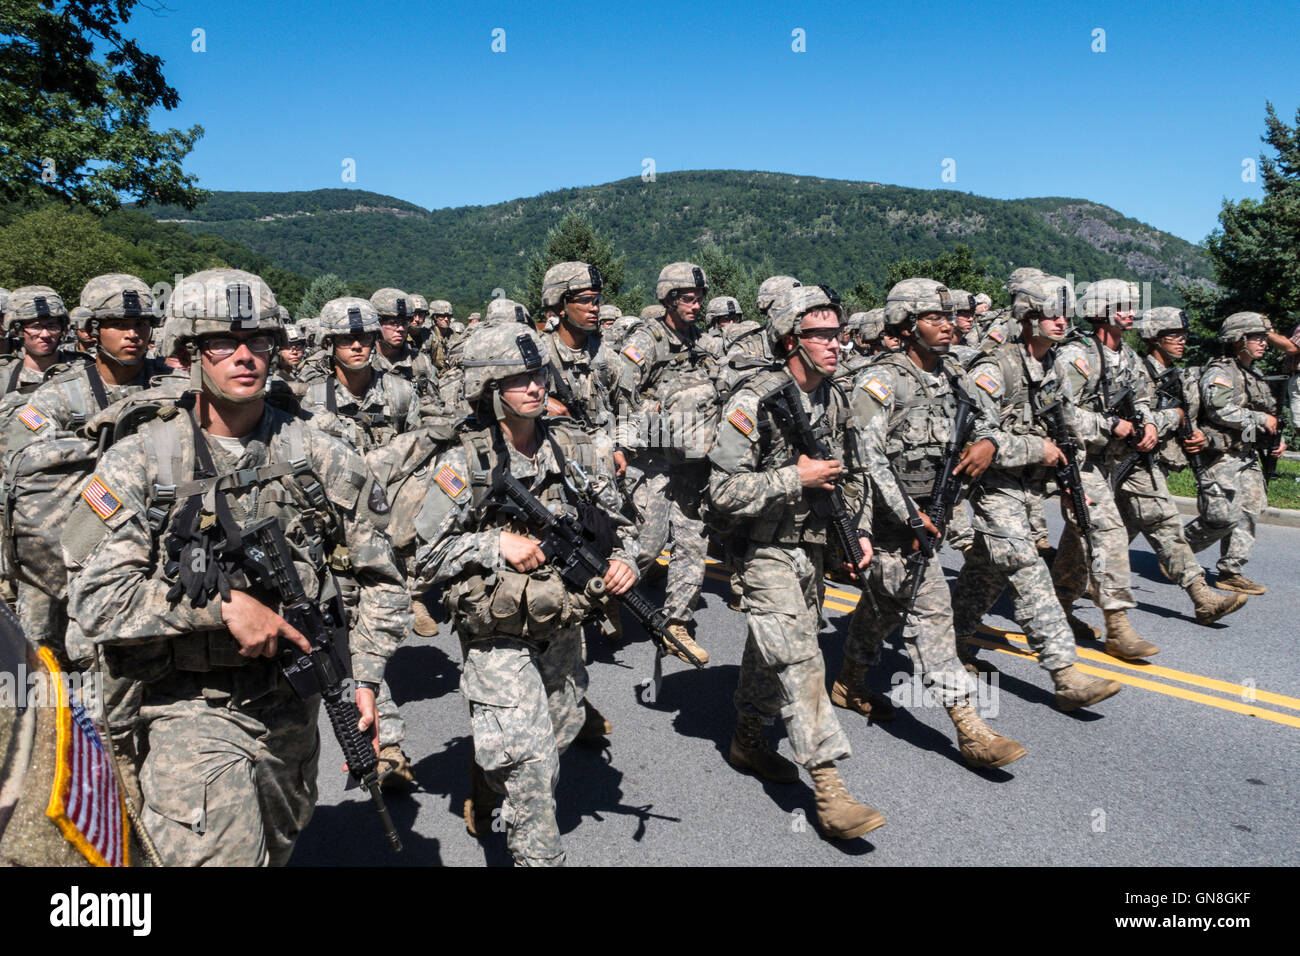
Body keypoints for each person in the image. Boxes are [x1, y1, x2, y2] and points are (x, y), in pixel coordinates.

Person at [62, 267, 408, 866]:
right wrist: (221, 607)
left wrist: (367, 679)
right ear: (188, 352)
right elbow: (96, 600)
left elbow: (382, 579)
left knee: (279, 840)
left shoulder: (316, 451)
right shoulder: (143, 459)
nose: (245, 357)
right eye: (223, 342)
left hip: (293, 704)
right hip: (188, 706)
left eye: (259, 341)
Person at [411, 323, 639, 864]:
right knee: (533, 768)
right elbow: (422, 557)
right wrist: (494, 543)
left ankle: (489, 775)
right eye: (518, 379)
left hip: (562, 625)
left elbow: (620, 523)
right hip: (496, 633)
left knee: (560, 731)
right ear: (489, 389)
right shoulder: (465, 462)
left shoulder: (574, 450)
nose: (535, 387)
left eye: (538, 375)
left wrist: (626, 561)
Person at [707, 283, 884, 839]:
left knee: (773, 651)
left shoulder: (835, 396)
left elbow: (855, 473)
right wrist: (794, 477)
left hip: (813, 547)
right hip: (764, 552)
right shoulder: (754, 401)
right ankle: (830, 788)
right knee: (802, 659)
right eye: (822, 335)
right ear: (790, 340)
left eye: (839, 333)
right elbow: (721, 492)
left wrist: (857, 532)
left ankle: (747, 739)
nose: (836, 343)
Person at [841, 278, 1027, 769]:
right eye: (933, 318)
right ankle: (971, 729)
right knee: (932, 614)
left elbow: (984, 423)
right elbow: (867, 459)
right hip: (886, 520)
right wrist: (909, 514)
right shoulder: (881, 382)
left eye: (949, 317)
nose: (948, 326)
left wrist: (988, 442)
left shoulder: (953, 375)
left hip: (930, 515)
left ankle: (850, 681)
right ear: (906, 325)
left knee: (884, 604)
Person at [951, 274, 1123, 710]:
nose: (1061, 322)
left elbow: (1064, 427)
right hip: (993, 486)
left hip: (1029, 486)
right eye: (1050, 314)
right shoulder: (994, 369)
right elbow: (977, 440)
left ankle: (949, 640)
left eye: (1065, 314)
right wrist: (1036, 449)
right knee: (1028, 570)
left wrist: (1068, 480)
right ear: (1027, 317)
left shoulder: (1054, 367)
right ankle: (1065, 674)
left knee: (986, 571)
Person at [610, 262, 716, 665]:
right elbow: (620, 396)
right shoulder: (647, 340)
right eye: (689, 298)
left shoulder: (700, 340)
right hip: (651, 459)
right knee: (647, 546)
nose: (696, 305)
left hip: (690, 462)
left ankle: (676, 623)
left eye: (699, 298)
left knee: (693, 540)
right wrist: (625, 441)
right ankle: (605, 594)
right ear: (669, 300)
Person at [1050, 279, 1160, 659]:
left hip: (1109, 462)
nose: (1131, 313)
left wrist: (1148, 423)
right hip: (1077, 460)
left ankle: (1058, 611)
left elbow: (1142, 397)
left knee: (1077, 541)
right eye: (1123, 306)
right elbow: (1059, 412)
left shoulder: (1127, 356)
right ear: (1102, 311)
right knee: (1109, 533)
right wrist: (1108, 424)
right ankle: (1118, 626)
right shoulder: (1077, 356)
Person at [1130, 308, 1248, 623]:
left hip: (1160, 465)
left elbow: (1202, 419)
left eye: (1184, 334)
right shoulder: (1136, 372)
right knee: (1166, 525)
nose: (1182, 340)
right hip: (1133, 466)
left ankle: (1071, 582)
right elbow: (1135, 421)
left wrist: (1200, 437)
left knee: (1110, 536)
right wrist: (1175, 417)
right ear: (1153, 338)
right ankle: (1202, 597)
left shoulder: (1182, 377)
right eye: (1174, 334)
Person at [1182, 312, 1288, 594]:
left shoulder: (1254, 374)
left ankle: (1231, 570)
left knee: (1251, 509)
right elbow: (1219, 410)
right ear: (1237, 339)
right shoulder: (1221, 372)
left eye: (1264, 337)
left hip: (1245, 454)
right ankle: (1176, 551)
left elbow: (1263, 413)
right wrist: (1260, 419)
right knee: (1221, 517)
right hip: (1219, 454)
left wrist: (1274, 440)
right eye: (1256, 337)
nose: (1263, 343)